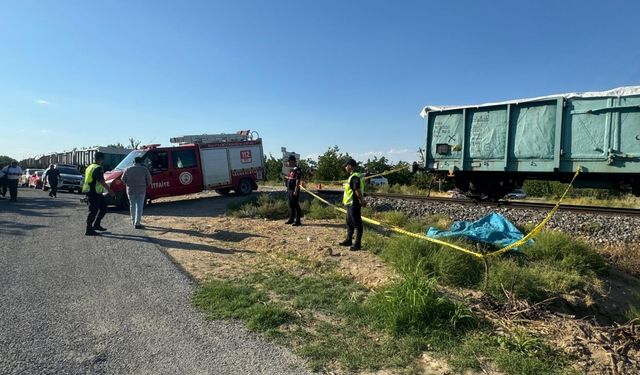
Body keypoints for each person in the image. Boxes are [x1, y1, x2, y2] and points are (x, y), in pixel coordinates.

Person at [82, 152, 115, 236]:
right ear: (101, 159)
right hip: (94, 192)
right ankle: (88, 229)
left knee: (103, 208)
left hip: (95, 191)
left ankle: (96, 225)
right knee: (93, 210)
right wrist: (109, 190)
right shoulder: (98, 168)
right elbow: (101, 181)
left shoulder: (90, 167)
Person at [339, 159, 366, 251]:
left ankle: (357, 244)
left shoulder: (355, 177)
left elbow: (357, 190)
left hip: (354, 204)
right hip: (350, 204)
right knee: (349, 223)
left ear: (350, 166)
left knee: (357, 224)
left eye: (346, 166)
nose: (345, 168)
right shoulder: (352, 177)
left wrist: (362, 201)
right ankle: (349, 240)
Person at [121, 156, 152, 229]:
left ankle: (133, 220)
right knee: (139, 207)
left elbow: (122, 179)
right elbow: (149, 180)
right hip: (141, 190)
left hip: (130, 190)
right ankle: (137, 223)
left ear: (133, 162)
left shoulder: (127, 169)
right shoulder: (144, 169)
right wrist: (146, 185)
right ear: (141, 162)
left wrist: (127, 184)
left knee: (132, 206)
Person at [284, 154, 302, 226]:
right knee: (291, 204)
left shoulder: (297, 169)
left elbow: (297, 181)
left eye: (289, 162)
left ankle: (298, 221)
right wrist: (287, 189)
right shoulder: (292, 170)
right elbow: (289, 179)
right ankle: (291, 219)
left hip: (294, 190)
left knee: (295, 205)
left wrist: (295, 190)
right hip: (289, 189)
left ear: (292, 161)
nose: (288, 163)